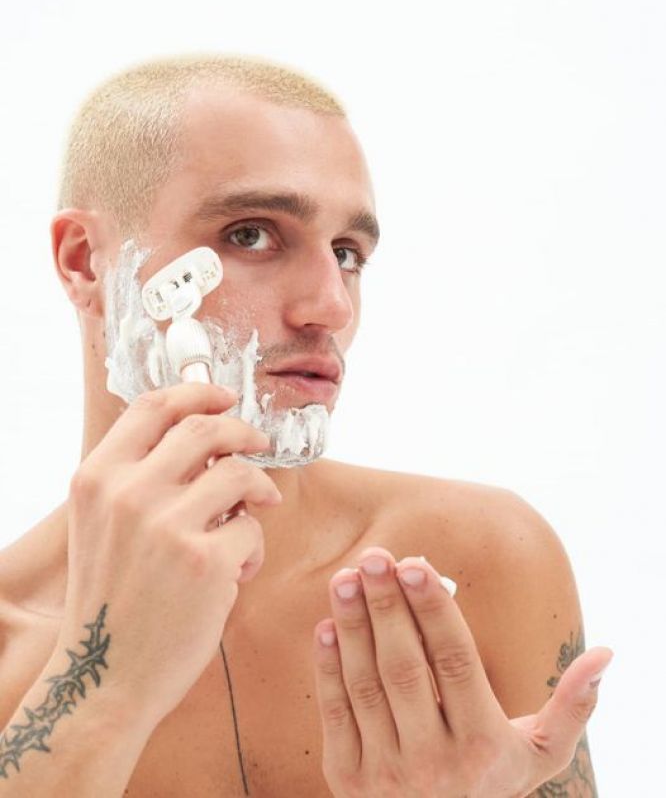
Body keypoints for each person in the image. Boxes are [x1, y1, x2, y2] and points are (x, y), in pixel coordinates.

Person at [0, 56, 611, 796]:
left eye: (347, 254)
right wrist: (107, 689)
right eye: (250, 235)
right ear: (84, 263)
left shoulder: (478, 565)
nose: (331, 306)